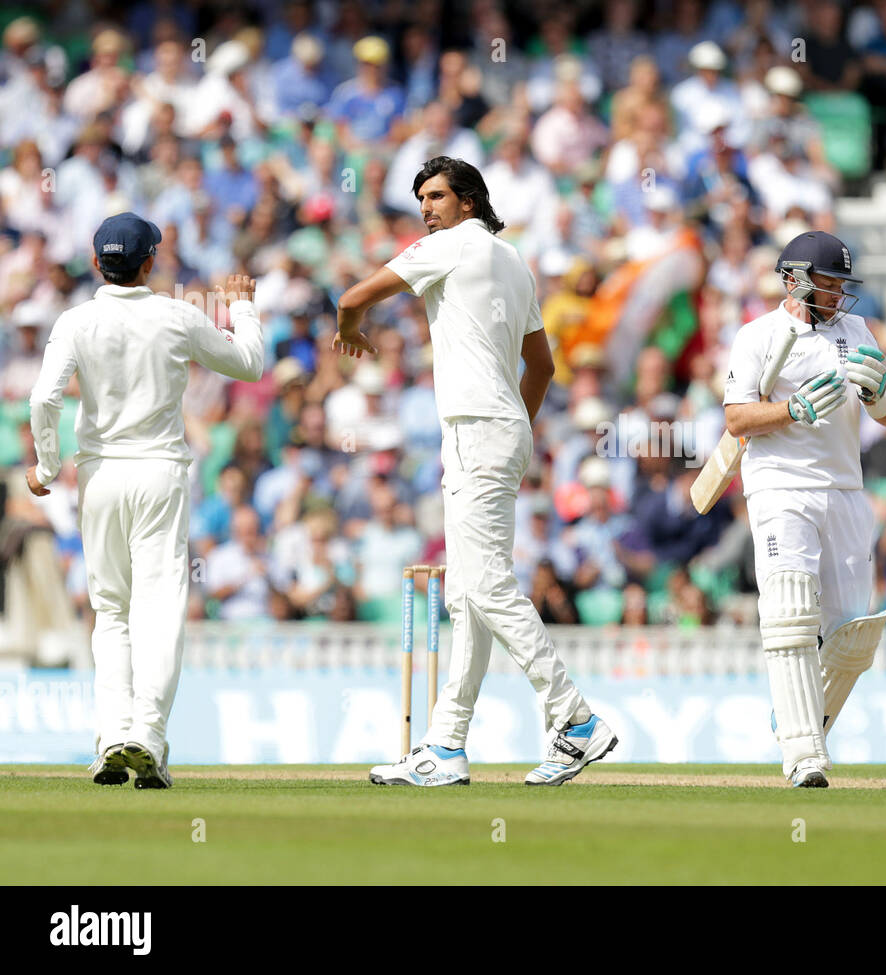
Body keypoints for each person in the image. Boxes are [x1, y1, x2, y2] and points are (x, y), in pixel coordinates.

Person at [333, 156, 616, 788]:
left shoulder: (449, 245)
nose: (425, 208)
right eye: (420, 200)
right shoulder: (514, 260)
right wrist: (515, 423)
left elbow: (353, 298)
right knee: (464, 598)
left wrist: (350, 327)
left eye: (435, 196)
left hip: (475, 432)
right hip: (503, 428)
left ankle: (575, 719)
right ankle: (445, 746)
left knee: (485, 588)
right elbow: (541, 368)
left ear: (468, 201)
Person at [26, 212, 264, 788]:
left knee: (111, 612)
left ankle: (111, 736)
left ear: (94, 261)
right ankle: (146, 737)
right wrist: (245, 309)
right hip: (159, 474)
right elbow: (250, 364)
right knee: (156, 611)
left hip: (99, 475)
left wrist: (46, 465)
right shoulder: (176, 314)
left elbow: (42, 399)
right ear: (150, 262)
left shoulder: (77, 320)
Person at [720, 230, 886, 787]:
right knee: (791, 613)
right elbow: (736, 420)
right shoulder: (758, 336)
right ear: (796, 278)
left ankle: (799, 710)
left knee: (854, 632)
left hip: (846, 488)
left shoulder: (858, 330)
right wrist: (790, 410)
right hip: (780, 487)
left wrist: (882, 397)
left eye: (843, 283)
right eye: (829, 282)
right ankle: (803, 755)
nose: (839, 293)